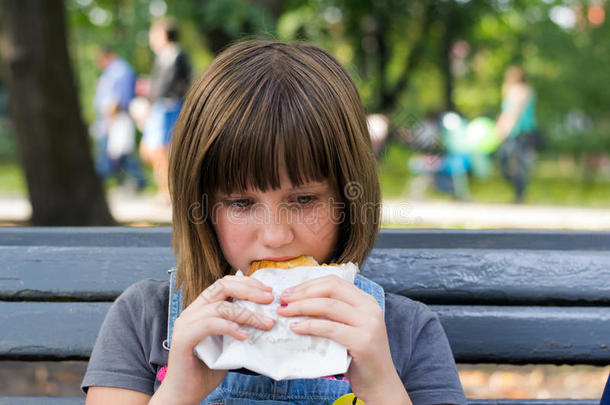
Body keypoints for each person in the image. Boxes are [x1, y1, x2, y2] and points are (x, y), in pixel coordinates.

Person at [82, 40, 466, 405]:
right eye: (241, 202)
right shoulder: (145, 320)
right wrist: (179, 391)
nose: (276, 236)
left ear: (348, 201)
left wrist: (383, 388)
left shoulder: (405, 333)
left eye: (303, 200)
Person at [139, 17, 191, 202]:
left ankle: (168, 192)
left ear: (163, 35)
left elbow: (169, 86)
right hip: (162, 108)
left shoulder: (175, 56)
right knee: (151, 150)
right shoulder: (165, 57)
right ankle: (165, 189)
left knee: (163, 150)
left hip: (169, 108)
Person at [92, 47, 146, 190]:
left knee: (122, 151)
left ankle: (138, 181)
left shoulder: (120, 70)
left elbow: (119, 98)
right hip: (110, 118)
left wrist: (110, 118)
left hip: (118, 117)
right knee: (116, 153)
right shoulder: (110, 72)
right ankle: (127, 182)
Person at [495, 65, 538, 203]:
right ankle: (520, 193)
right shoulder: (513, 91)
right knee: (508, 162)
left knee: (511, 162)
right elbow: (505, 112)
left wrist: (504, 130)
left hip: (519, 132)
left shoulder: (520, 91)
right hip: (516, 132)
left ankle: (520, 194)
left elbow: (514, 113)